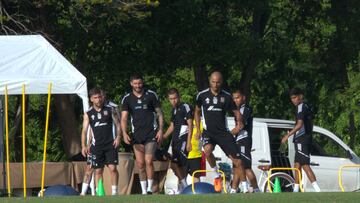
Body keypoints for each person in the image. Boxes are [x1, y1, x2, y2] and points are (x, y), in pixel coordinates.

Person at [194, 71, 248, 193]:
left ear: (221, 82)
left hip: (223, 133)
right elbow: (196, 112)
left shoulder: (227, 96)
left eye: (218, 82)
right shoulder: (202, 95)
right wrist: (198, 129)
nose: (215, 84)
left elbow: (236, 112)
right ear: (210, 82)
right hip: (208, 132)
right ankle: (216, 174)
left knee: (237, 161)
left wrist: (239, 124)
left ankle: (245, 187)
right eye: (213, 82)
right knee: (207, 151)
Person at [121, 74, 164, 195]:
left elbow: (160, 114)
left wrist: (160, 130)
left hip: (151, 133)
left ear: (142, 83)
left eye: (139, 83)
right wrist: (124, 133)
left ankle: (150, 188)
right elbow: (124, 118)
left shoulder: (151, 95)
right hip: (136, 135)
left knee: (149, 160)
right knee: (140, 164)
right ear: (131, 84)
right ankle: (144, 191)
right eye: (135, 83)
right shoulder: (127, 98)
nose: (138, 86)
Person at [80, 88, 121, 195]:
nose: (98, 100)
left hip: (110, 144)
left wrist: (118, 137)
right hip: (96, 146)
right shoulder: (88, 113)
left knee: (113, 168)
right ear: (91, 99)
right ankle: (99, 193)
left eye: (99, 97)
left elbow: (118, 125)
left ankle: (114, 193)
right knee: (98, 170)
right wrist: (84, 145)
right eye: (95, 98)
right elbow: (84, 131)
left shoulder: (110, 109)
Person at [281, 87, 321, 192]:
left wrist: (287, 135)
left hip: (301, 139)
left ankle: (318, 190)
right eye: (292, 98)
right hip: (305, 139)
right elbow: (310, 123)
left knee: (305, 164)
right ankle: (296, 189)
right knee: (297, 164)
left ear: (300, 96)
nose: (293, 100)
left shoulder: (300, 107)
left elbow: (299, 125)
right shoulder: (308, 106)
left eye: (295, 97)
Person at [163, 88, 201, 193]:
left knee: (176, 164)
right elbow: (172, 126)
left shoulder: (186, 107)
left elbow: (190, 125)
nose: (173, 101)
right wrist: (164, 136)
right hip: (175, 141)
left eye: (175, 98)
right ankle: (183, 187)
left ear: (179, 97)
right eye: (171, 99)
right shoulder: (174, 110)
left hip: (184, 140)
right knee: (176, 165)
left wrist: (188, 142)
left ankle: (184, 186)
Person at [232, 89, 260, 193]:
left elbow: (240, 126)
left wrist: (226, 136)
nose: (235, 100)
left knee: (246, 167)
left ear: (243, 97)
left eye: (237, 97)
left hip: (244, 140)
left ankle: (256, 189)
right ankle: (233, 190)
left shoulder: (245, 109)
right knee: (236, 168)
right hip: (238, 140)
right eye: (234, 98)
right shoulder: (238, 110)